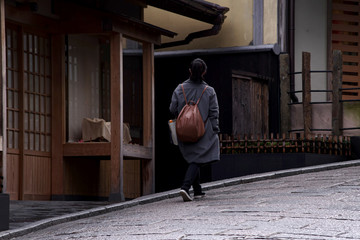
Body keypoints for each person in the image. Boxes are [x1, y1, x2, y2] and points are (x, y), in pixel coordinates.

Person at [169, 58, 220, 202]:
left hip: (183, 130)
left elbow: (172, 109)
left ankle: (197, 190)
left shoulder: (180, 89)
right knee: (198, 158)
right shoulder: (209, 91)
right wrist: (215, 130)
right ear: (204, 72)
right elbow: (214, 113)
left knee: (193, 157)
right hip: (202, 130)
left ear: (190, 71)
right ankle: (185, 187)